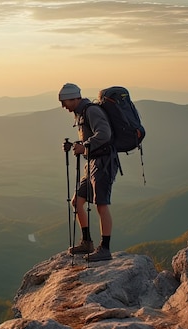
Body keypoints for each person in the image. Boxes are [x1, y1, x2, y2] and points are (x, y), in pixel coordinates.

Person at [59, 83, 119, 262]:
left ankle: (105, 249)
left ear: (75, 98)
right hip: (92, 162)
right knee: (77, 202)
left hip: (104, 162)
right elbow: (91, 137)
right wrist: (75, 145)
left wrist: (83, 146)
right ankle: (87, 243)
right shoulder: (81, 113)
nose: (64, 106)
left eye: (66, 102)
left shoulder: (91, 111)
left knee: (101, 204)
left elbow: (104, 134)